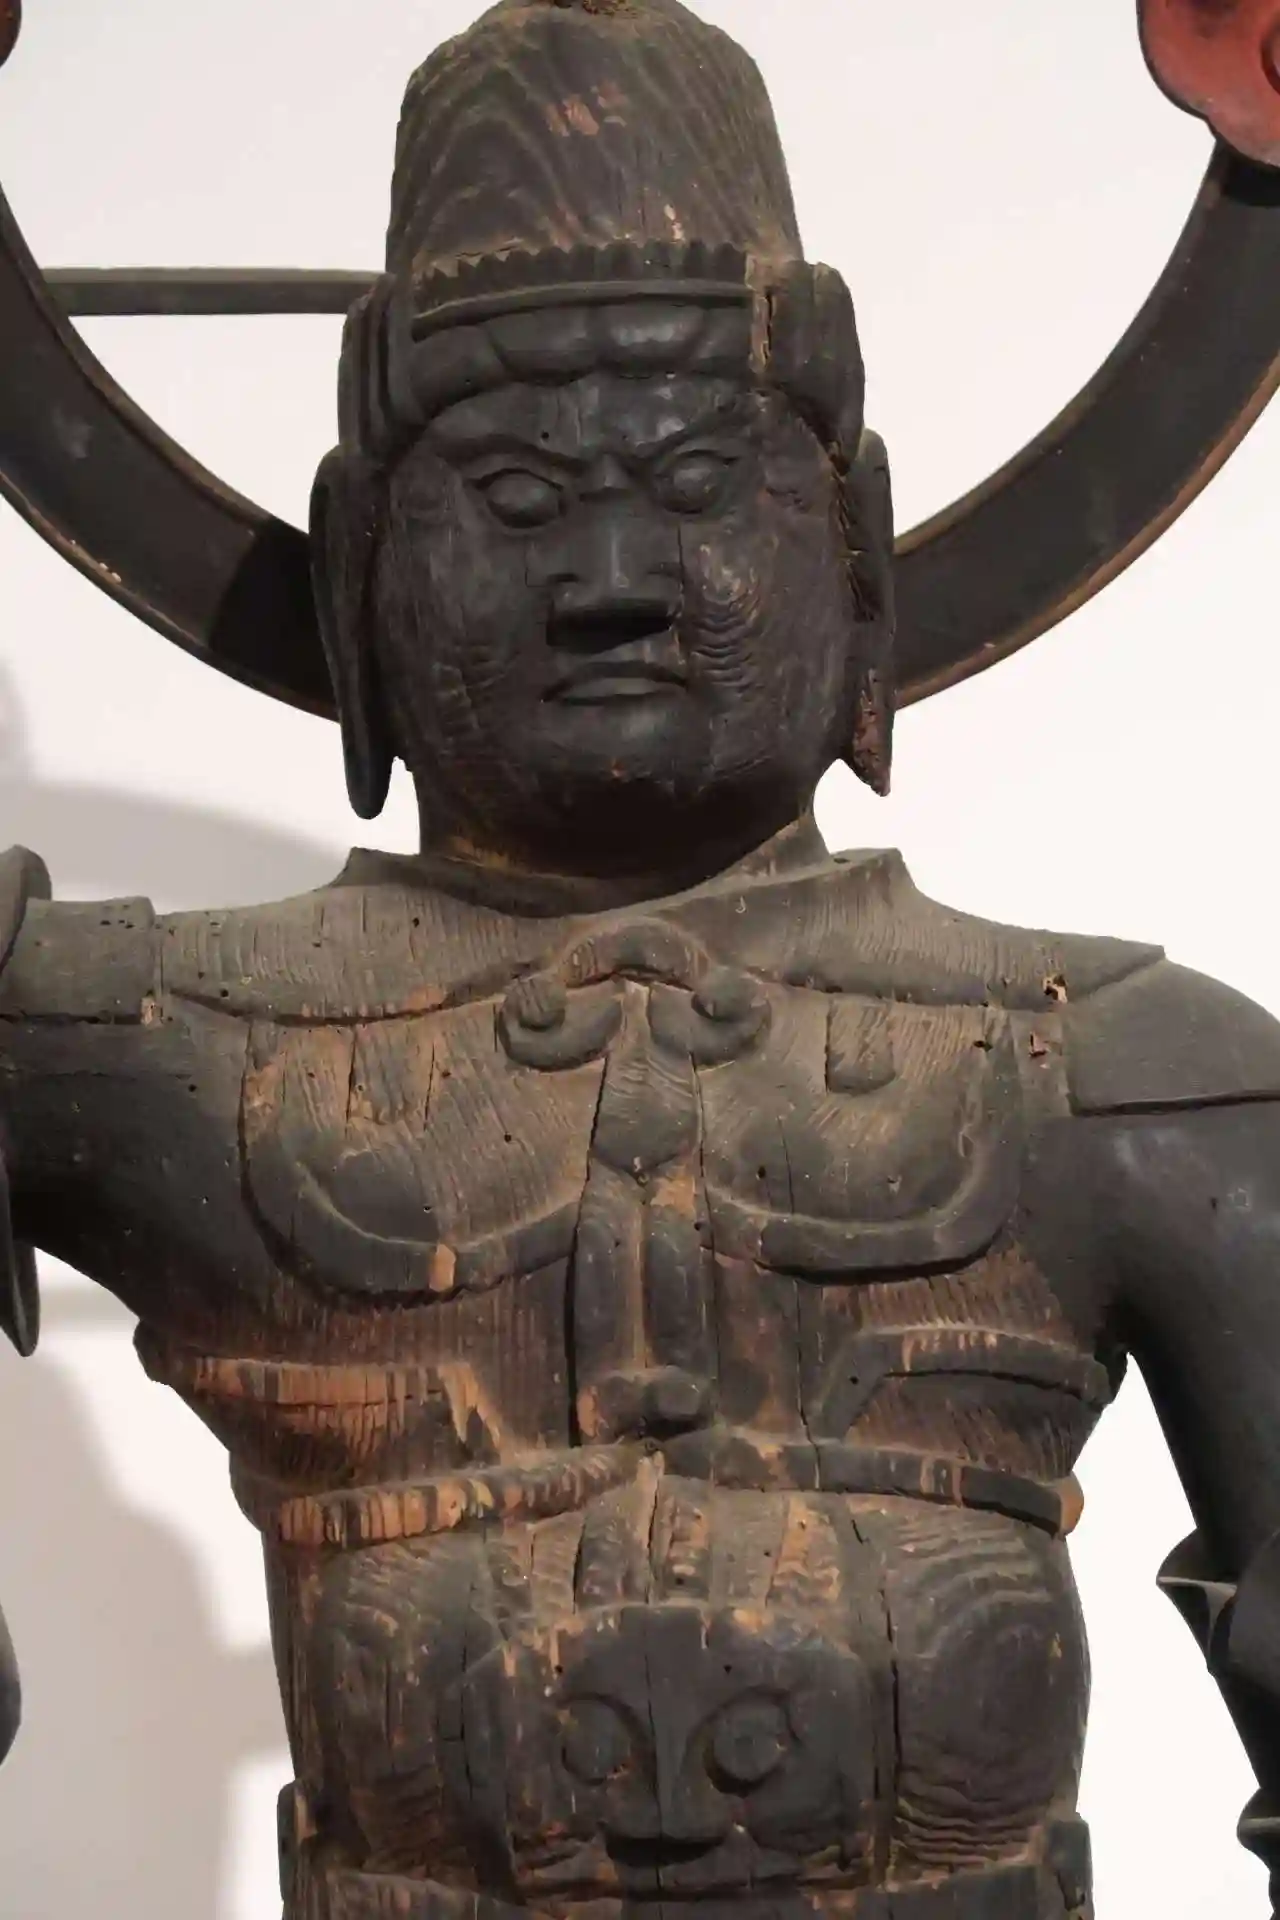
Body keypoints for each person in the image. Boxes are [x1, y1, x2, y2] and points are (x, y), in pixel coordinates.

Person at [2, 5, 1278, 1915]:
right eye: (516, 503)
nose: (609, 579)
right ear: (359, 573)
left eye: (697, 488)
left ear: (855, 549)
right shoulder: (187, 1054)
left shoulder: (1119, 1080)